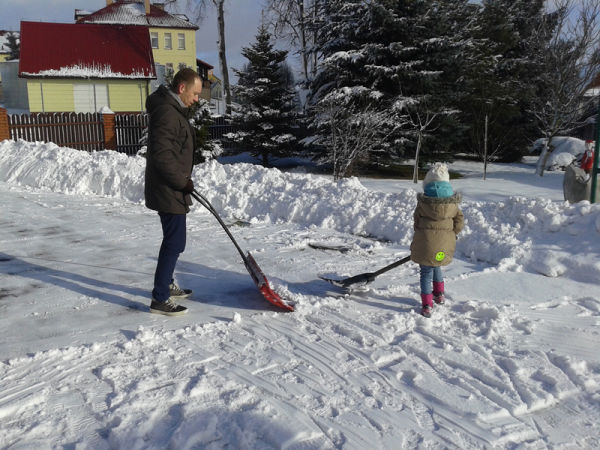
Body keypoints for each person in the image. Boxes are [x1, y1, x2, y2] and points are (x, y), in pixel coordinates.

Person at [144, 68, 203, 316]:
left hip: (170, 186)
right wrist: (182, 182)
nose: (197, 99)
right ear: (182, 88)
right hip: (168, 187)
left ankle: (166, 283)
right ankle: (160, 297)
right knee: (175, 242)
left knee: (173, 241)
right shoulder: (168, 113)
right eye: (195, 93)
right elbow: (162, 156)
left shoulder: (170, 108)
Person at [410, 162, 464, 318]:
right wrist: (453, 232)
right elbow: (459, 222)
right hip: (443, 247)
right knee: (437, 265)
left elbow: (416, 222)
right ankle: (439, 295)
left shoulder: (423, 203)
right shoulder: (453, 205)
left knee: (426, 271)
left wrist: (421, 233)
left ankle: (427, 304)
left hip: (426, 245)